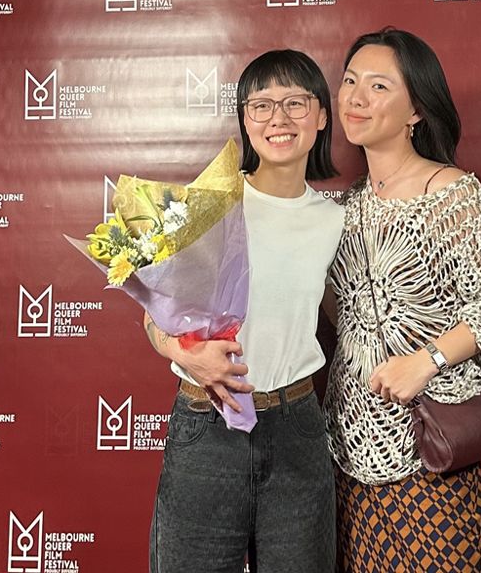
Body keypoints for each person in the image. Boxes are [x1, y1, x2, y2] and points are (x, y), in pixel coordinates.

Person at [325, 28, 481, 572]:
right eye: (349, 81)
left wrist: (428, 360)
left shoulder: (449, 194)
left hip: (428, 451)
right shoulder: (343, 208)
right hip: (346, 452)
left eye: (378, 87)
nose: (355, 98)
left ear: (416, 109)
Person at [144, 49, 344, 573]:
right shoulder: (209, 204)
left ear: (322, 116)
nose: (279, 118)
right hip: (205, 423)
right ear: (245, 120)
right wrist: (186, 356)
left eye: (296, 103)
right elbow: (152, 316)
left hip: (297, 428)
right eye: (261, 105)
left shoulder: (335, 221)